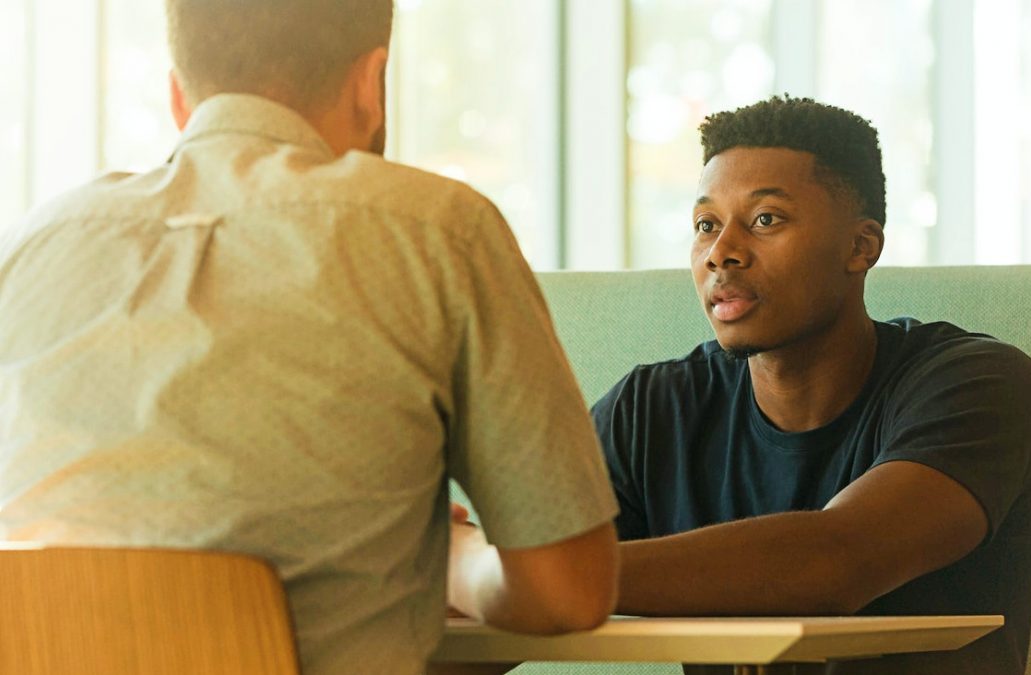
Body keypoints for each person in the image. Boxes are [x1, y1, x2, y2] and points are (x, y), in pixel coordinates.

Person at [0, 1, 619, 674]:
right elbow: (567, 592)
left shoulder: (34, 243)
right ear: (370, 84)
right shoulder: (441, 230)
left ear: (178, 95)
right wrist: (454, 561)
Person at [592, 96, 1031, 675]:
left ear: (861, 247)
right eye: (706, 225)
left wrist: (539, 576)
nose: (720, 253)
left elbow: (837, 561)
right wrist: (471, 570)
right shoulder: (652, 411)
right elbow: (489, 596)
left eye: (765, 220)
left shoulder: (979, 384)